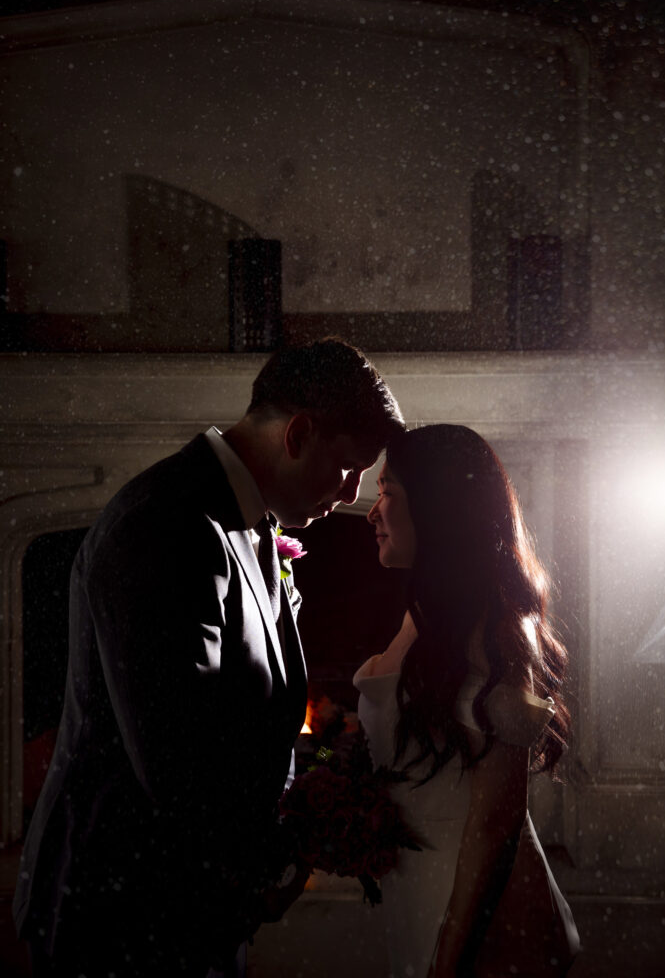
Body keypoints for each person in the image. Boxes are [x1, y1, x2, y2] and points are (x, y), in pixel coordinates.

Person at [14, 337, 405, 978]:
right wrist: (279, 853)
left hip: (194, 904)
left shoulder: (250, 523)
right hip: (126, 915)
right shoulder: (167, 525)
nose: (352, 492)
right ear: (299, 433)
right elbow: (178, 763)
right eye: (349, 467)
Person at [354, 424, 580, 977]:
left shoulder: (499, 632)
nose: (372, 512)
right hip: (421, 896)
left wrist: (449, 962)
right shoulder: (428, 617)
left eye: (388, 492)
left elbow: (495, 824)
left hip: (482, 921)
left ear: (438, 509)